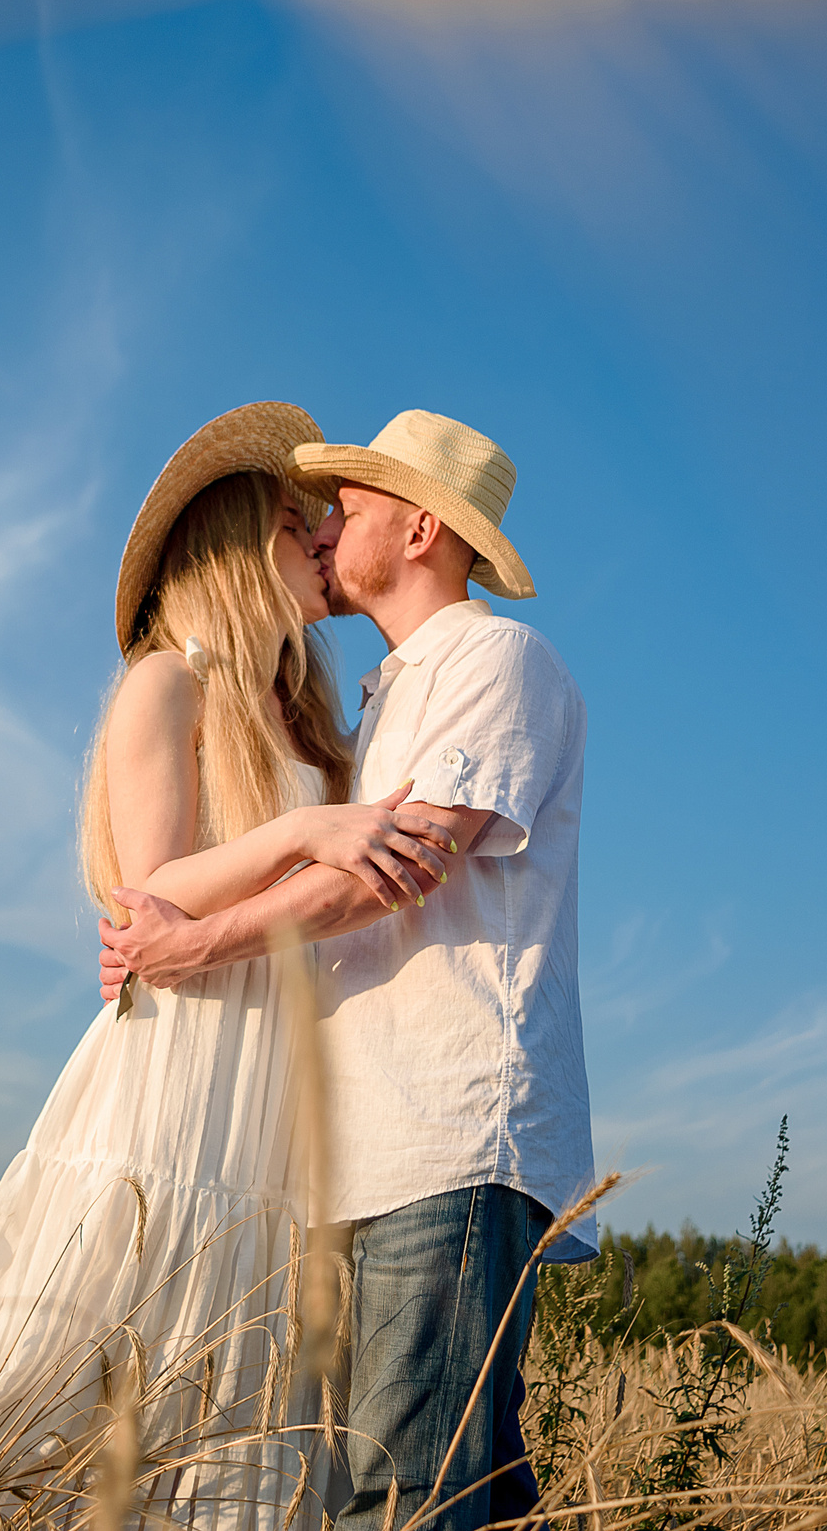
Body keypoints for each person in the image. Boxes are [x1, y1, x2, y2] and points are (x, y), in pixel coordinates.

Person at [0, 402, 457, 1531]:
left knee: (246, 1357)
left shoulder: (303, 717)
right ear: (241, 552)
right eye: (295, 530)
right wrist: (306, 832)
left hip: (281, 1069)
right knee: (100, 1330)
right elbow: (148, 890)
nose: (319, 545)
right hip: (187, 1051)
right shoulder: (163, 682)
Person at [97, 409, 595, 1531]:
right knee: (438, 1473)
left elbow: (394, 870)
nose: (325, 527)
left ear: (419, 529)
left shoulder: (494, 658)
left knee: (412, 1482)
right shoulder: (373, 703)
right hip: (353, 1143)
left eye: (350, 506)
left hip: (448, 1129)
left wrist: (186, 942)